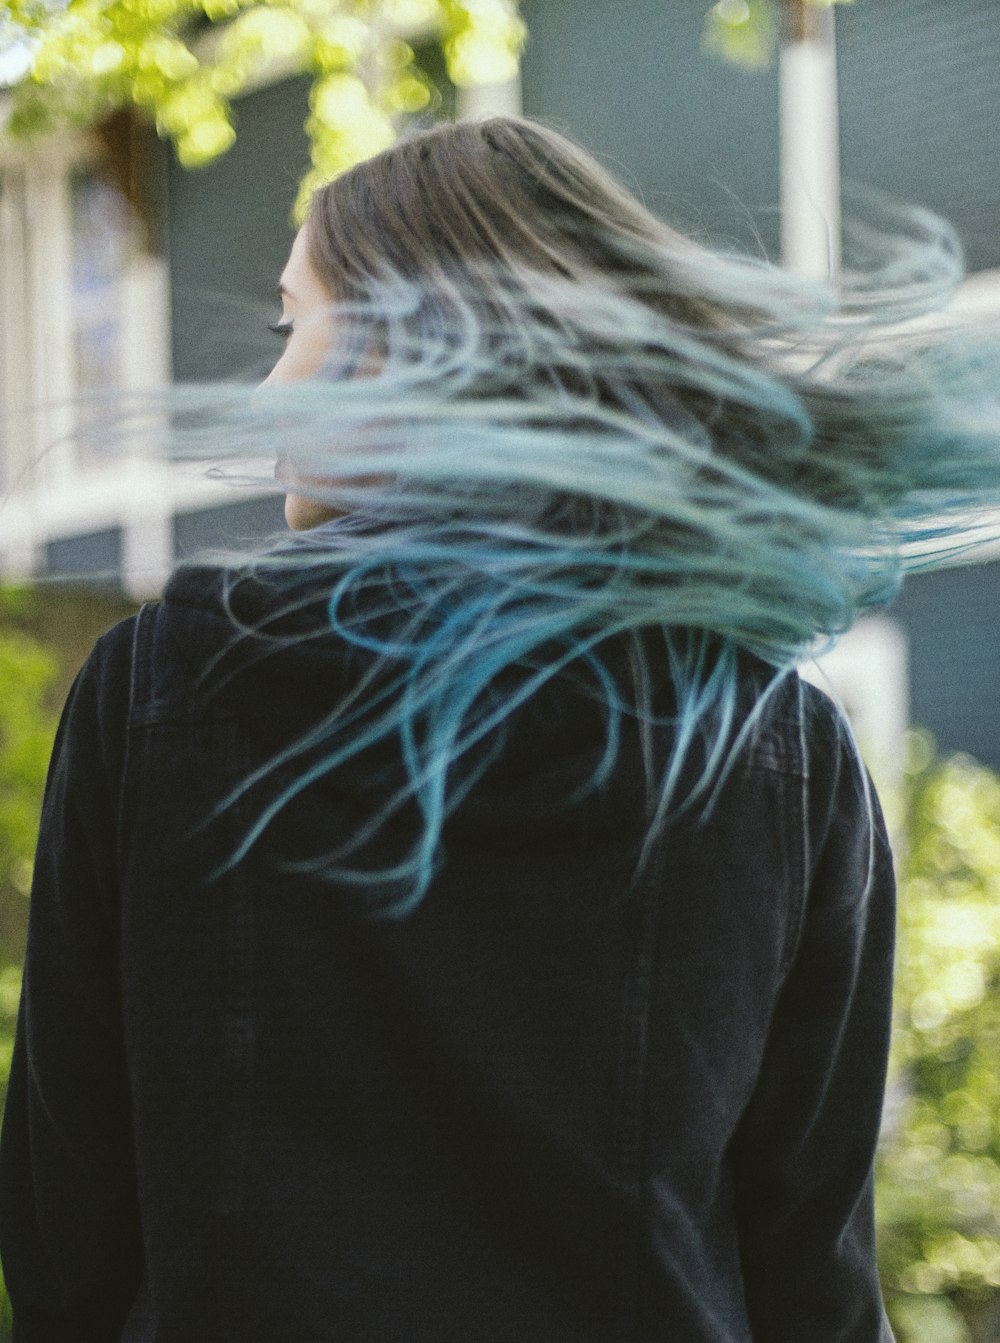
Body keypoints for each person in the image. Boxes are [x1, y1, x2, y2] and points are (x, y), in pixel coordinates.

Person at [4, 113, 998, 1342]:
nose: (266, 390)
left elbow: (66, 1225)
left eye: (291, 326)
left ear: (414, 351)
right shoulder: (774, 748)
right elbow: (812, 1267)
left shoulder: (159, 691)